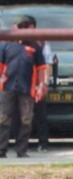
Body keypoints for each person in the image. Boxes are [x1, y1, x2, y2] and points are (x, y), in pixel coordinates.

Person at [0, 15, 47, 159]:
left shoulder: (35, 46)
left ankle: (21, 150)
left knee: (26, 120)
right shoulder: (6, 45)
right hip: (7, 88)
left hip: (27, 89)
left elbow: (41, 68)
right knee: (3, 119)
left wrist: (41, 85)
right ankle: (1, 150)